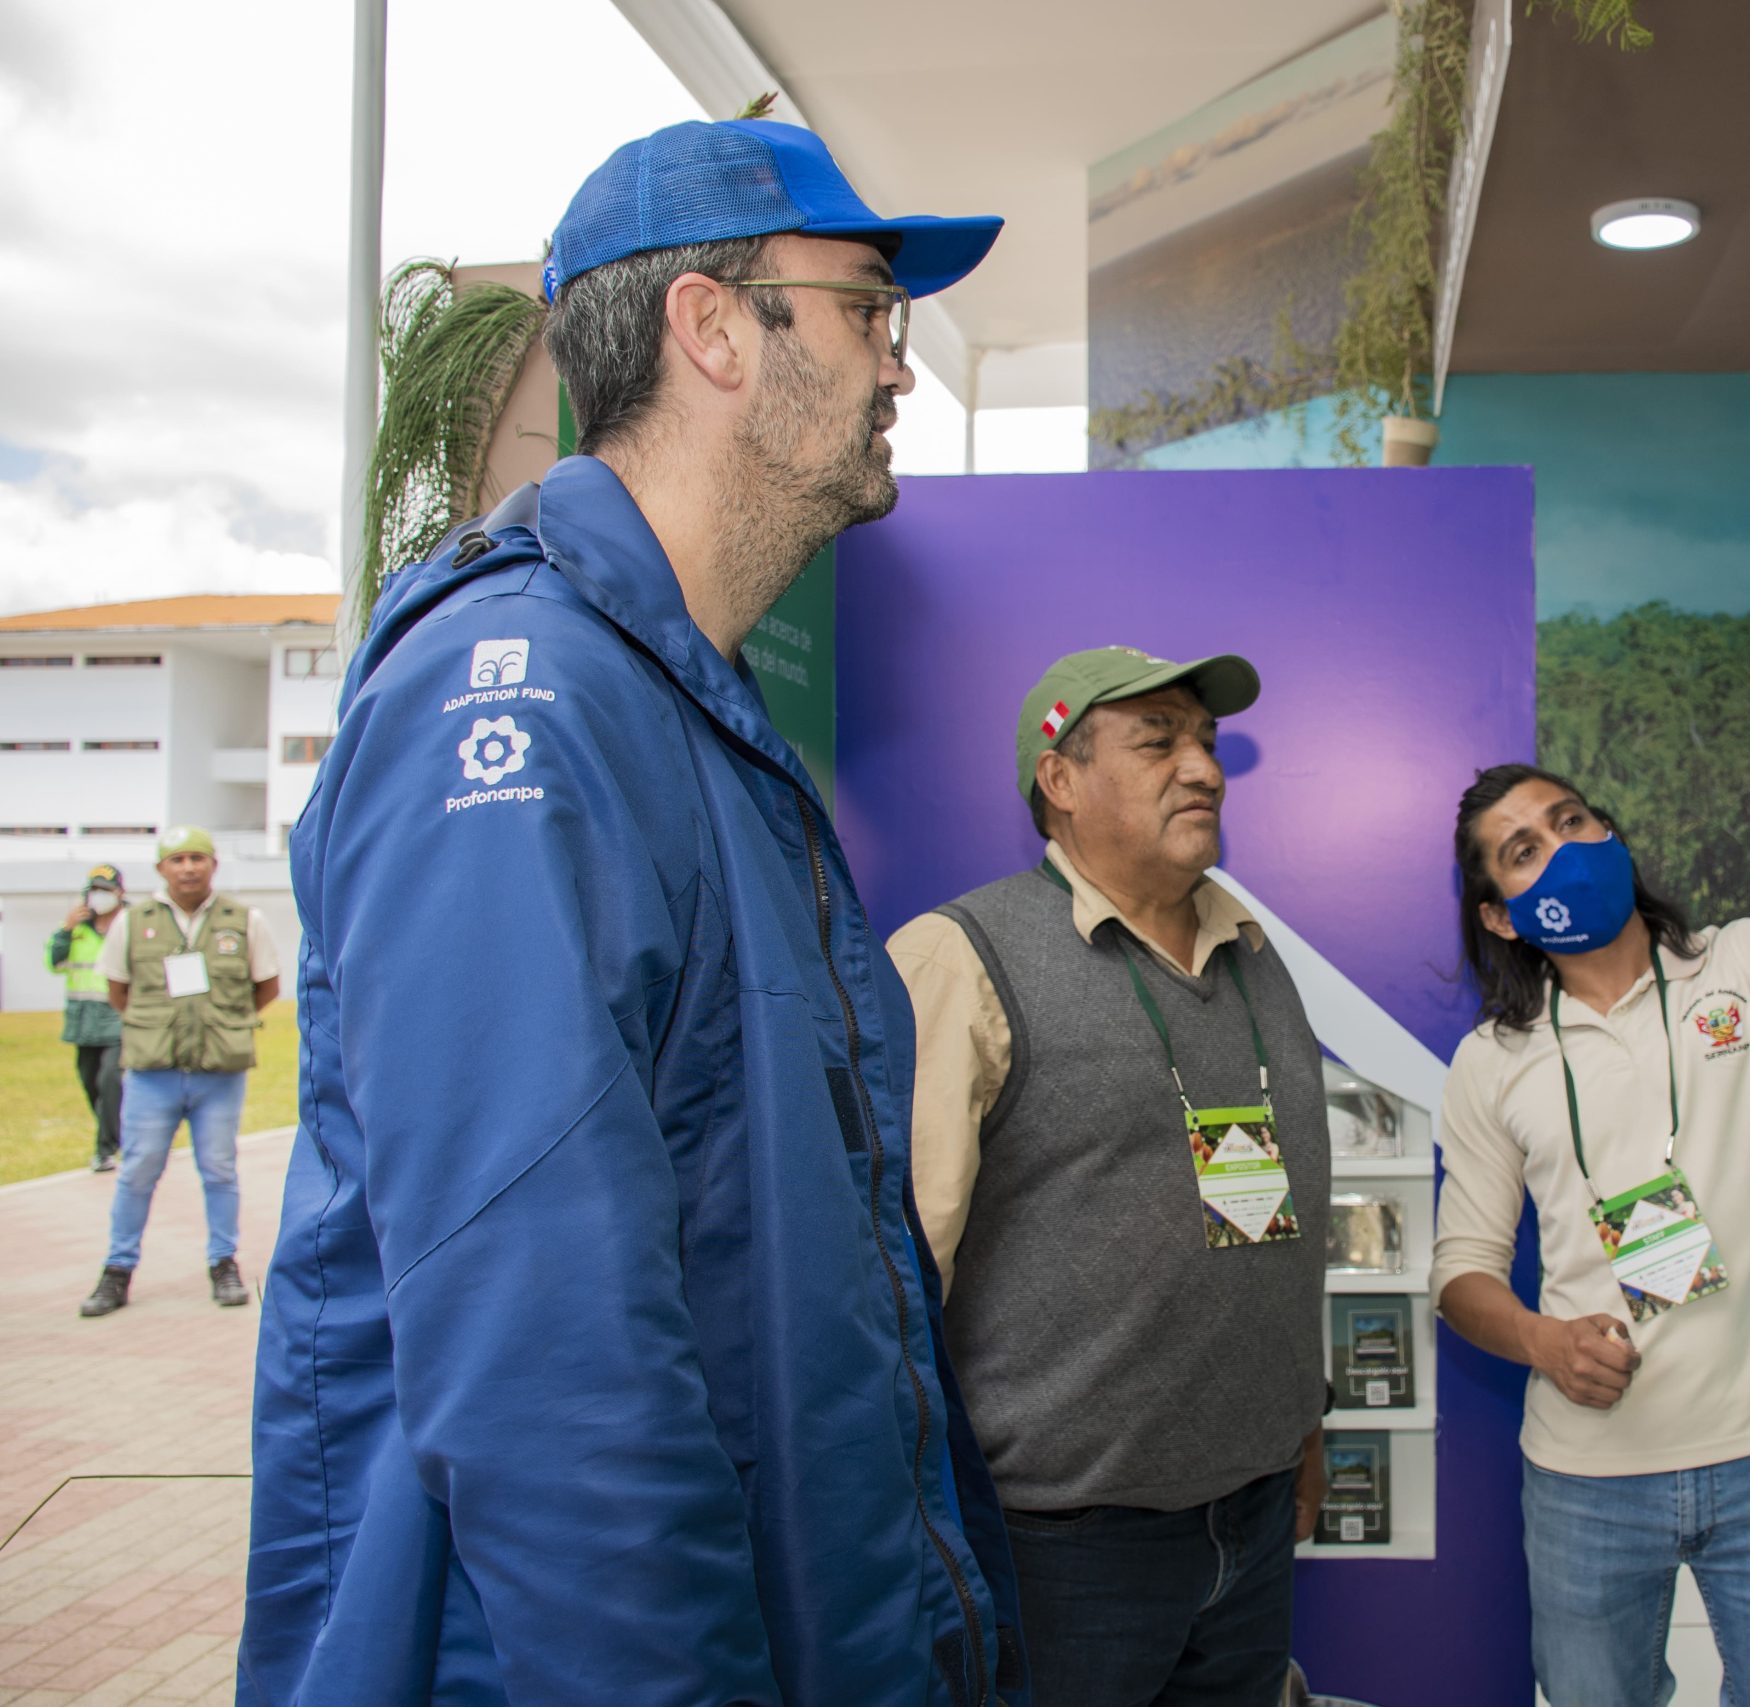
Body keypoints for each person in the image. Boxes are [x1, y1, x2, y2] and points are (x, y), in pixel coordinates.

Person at [239, 119, 1025, 1706]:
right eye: (872, 308)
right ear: (715, 327)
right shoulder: (516, 707)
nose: (900, 369)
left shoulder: (691, 714)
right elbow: (547, 1365)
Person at [1431, 610, 1750, 1707]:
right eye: (1523, 851)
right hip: (1588, 1482)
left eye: (1570, 819)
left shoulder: (1744, 973)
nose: (1561, 847)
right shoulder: (1491, 1064)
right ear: (1500, 920)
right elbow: (1458, 1274)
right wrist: (1542, 1341)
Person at [888, 646, 1329, 1707]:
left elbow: (1278, 1222)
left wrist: (1300, 1429)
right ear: (1062, 779)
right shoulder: (960, 958)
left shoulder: (1251, 948)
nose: (1205, 770)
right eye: (1159, 741)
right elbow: (895, 1274)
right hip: (1064, 1546)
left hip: (1255, 1514)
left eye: (1209, 743)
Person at [77, 830, 281, 1317]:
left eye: (197, 858)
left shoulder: (244, 920)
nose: (188, 868)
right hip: (153, 1072)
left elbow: (267, 985)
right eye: (177, 859)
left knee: (219, 1170)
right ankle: (117, 1269)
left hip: (219, 1072)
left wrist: (221, 1025)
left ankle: (223, 1264)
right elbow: (118, 991)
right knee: (138, 1171)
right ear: (160, 869)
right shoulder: (133, 922)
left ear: (212, 864)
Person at [49, 863, 127, 1172]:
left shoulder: (131, 924)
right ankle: (124, 1133)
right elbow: (53, 963)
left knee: (110, 1080)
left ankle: (104, 1150)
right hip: (84, 1021)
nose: (99, 897)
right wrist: (66, 931)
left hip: (119, 1016)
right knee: (89, 1082)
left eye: (105, 891)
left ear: (119, 893)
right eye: (94, 891)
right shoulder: (75, 929)